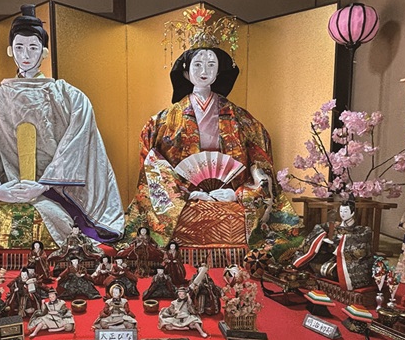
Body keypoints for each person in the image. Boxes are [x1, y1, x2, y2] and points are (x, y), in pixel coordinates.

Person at [0, 4, 124, 249]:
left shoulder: (70, 97)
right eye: (19, 47)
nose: (25, 54)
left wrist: (43, 184)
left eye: (33, 47)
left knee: (57, 222)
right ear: (10, 50)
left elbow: (77, 145)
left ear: (44, 52)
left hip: (54, 193)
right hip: (2, 191)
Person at [124, 33, 298, 246]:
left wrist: (236, 193)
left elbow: (260, 162)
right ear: (186, 72)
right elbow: (151, 165)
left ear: (219, 72)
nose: (204, 71)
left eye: (211, 65)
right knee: (179, 218)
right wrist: (183, 192)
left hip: (229, 194)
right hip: (184, 198)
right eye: (197, 65)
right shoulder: (163, 121)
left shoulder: (241, 119)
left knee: (241, 217)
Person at [292, 199, 373, 291]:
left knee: (337, 272)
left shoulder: (361, 230)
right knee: (312, 262)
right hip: (330, 256)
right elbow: (319, 229)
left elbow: (360, 244)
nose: (343, 214)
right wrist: (322, 237)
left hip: (345, 261)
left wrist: (342, 241)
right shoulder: (334, 226)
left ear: (352, 213)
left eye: (345, 211)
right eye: (341, 211)